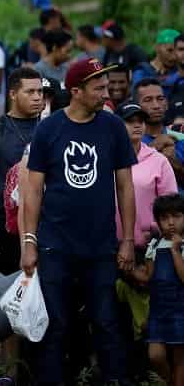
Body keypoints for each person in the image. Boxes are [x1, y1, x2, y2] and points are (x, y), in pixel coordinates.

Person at [21, 57, 137, 386]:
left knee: (106, 322)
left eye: (106, 86)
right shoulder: (49, 128)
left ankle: (116, 381)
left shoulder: (113, 126)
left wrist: (126, 239)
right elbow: (33, 190)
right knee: (56, 324)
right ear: (76, 91)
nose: (106, 93)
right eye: (98, 88)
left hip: (101, 247)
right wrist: (29, 243)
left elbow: (124, 185)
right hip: (55, 245)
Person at [0, 67, 43, 275]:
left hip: (45, 222)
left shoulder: (52, 127)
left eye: (40, 92)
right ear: (13, 94)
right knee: (10, 286)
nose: (37, 97)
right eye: (30, 92)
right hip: (4, 225)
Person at [114, 103, 177, 250]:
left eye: (140, 121)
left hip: (150, 243)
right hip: (109, 243)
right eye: (130, 121)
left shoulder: (159, 160)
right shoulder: (105, 159)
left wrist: (154, 229)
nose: (137, 125)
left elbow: (170, 205)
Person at [140, 194, 184, 386]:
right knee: (155, 355)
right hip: (158, 311)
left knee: (179, 360)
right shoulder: (154, 245)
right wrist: (129, 269)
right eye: (164, 218)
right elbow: (150, 278)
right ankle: (169, 380)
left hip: (180, 311)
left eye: (176, 216)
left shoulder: (182, 246)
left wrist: (175, 251)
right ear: (158, 221)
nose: (171, 222)